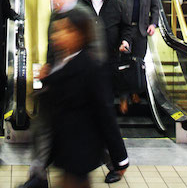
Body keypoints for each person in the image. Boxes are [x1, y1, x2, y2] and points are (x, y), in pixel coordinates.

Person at [43, 11, 129, 187]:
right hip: (65, 148)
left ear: (79, 34)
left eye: (64, 30)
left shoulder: (90, 67)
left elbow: (105, 113)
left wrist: (120, 158)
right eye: (56, 30)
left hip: (80, 150)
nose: (56, 35)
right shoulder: (63, 62)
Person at [110, 0, 159, 114]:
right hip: (124, 29)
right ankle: (123, 97)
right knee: (123, 62)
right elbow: (111, 5)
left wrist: (153, 24)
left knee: (138, 63)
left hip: (141, 29)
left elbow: (155, 7)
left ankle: (135, 92)